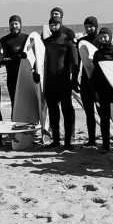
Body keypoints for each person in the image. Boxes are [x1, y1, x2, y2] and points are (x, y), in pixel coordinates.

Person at [41, 17, 80, 149]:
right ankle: (56, 140)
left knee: (66, 110)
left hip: (64, 81)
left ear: (61, 24)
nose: (54, 26)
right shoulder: (45, 42)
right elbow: (40, 62)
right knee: (53, 111)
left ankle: (68, 142)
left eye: (56, 24)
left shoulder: (67, 41)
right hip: (50, 82)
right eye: (51, 24)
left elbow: (75, 63)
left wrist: (74, 80)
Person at [76, 16, 100, 147]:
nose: (89, 28)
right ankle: (92, 140)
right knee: (89, 112)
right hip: (86, 80)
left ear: (96, 26)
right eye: (86, 26)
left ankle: (106, 140)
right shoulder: (81, 42)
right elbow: (78, 63)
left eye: (91, 26)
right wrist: (75, 79)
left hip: (100, 81)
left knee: (103, 111)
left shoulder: (100, 40)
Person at [0, 15, 29, 108]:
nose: (14, 26)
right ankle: (15, 121)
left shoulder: (27, 39)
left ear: (20, 25)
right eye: (12, 24)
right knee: (15, 103)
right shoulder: (4, 40)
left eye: (16, 24)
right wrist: (17, 57)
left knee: (27, 103)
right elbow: (1, 60)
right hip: (12, 77)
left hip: (26, 77)